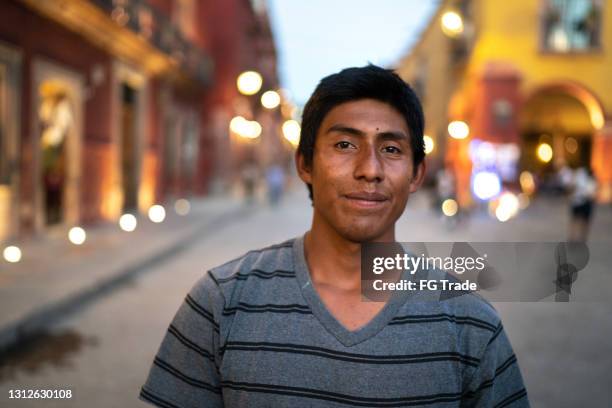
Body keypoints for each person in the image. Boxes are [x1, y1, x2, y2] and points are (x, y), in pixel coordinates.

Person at [139, 65, 529, 407]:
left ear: (416, 174)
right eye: (344, 144)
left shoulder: (469, 323)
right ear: (305, 164)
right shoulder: (221, 302)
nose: (369, 169)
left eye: (391, 149)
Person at [568, 166, 597, 242]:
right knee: (577, 220)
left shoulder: (590, 180)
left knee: (581, 221)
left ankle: (579, 237)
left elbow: (592, 194)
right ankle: (575, 237)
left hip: (584, 202)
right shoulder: (581, 176)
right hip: (579, 202)